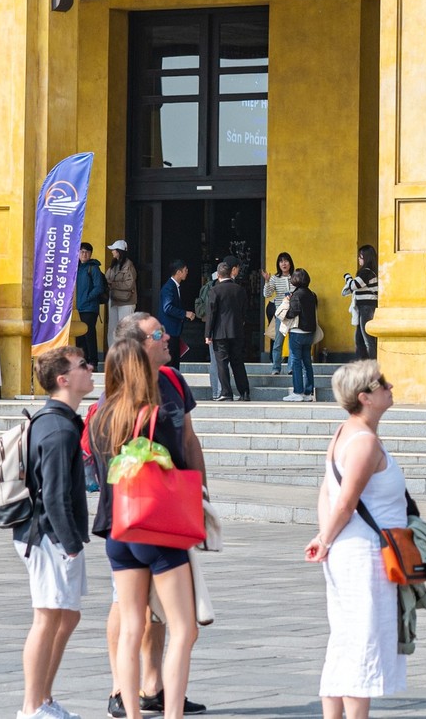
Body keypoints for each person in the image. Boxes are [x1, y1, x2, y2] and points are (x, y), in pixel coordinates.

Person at [105, 312, 211, 719]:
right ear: (138, 345)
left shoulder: (116, 403)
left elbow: (189, 438)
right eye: (158, 334)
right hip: (157, 522)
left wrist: (202, 490)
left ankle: (140, 701)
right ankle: (152, 703)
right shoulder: (139, 407)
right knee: (184, 627)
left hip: (126, 524)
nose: (167, 338)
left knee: (138, 621)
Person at [305, 360, 409, 715]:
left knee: (345, 641)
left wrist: (326, 538)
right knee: (361, 644)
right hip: (364, 555)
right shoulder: (364, 443)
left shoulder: (344, 434)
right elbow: (345, 501)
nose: (390, 386)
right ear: (365, 397)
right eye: (382, 384)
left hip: (349, 551)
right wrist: (327, 538)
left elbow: (326, 493)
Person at [15, 345, 95, 719]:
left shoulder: (59, 421)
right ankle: (32, 706)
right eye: (83, 366)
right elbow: (56, 496)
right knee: (47, 617)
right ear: (64, 379)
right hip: (48, 535)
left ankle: (44, 697)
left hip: (50, 534)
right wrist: (71, 545)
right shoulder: (59, 428)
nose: (90, 368)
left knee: (67, 615)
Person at [206, 257, 250, 402]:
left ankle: (226, 392)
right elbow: (244, 311)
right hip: (237, 331)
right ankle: (244, 392)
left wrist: (208, 333)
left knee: (222, 363)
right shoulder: (240, 290)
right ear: (231, 273)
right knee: (238, 362)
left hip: (220, 332)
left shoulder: (214, 290)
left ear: (218, 275)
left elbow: (211, 313)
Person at [284, 270, 319, 402]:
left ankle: (297, 392)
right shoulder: (311, 294)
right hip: (309, 332)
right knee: (307, 363)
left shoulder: (296, 295)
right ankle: (308, 392)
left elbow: (293, 312)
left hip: (297, 332)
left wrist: (286, 309)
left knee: (296, 362)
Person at [77, 242, 109, 369]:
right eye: (82, 251)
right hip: (78, 307)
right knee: (80, 336)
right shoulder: (76, 268)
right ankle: (82, 361)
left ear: (90, 254)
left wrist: (87, 298)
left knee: (89, 334)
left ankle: (93, 361)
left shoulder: (93, 268)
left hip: (89, 308)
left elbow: (99, 287)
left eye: (87, 252)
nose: (84, 254)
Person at [345, 245, 380, 357]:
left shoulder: (366, 272)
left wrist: (347, 277)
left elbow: (354, 285)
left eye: (360, 257)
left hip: (366, 307)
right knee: (360, 339)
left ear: (366, 258)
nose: (359, 259)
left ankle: (372, 366)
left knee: (367, 340)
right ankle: (364, 365)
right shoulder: (370, 272)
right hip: (365, 307)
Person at [265, 252, 296, 376]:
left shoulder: (295, 277)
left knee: (293, 342)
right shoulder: (274, 278)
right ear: (278, 264)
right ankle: (276, 368)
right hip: (281, 315)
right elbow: (267, 294)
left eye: (286, 261)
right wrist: (267, 282)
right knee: (278, 342)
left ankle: (291, 368)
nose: (284, 263)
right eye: (281, 261)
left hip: (294, 314)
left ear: (290, 263)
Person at [158, 261, 193, 368]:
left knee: (174, 363)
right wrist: (185, 313)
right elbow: (167, 308)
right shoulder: (169, 287)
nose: (187, 272)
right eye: (185, 270)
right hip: (169, 331)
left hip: (173, 331)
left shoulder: (175, 286)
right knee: (170, 363)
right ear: (178, 272)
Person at [107, 241, 139, 338]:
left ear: (119, 251)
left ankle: (125, 353)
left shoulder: (129, 265)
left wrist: (113, 284)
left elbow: (129, 284)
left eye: (114, 250)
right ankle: (114, 352)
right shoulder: (114, 264)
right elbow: (107, 278)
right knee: (112, 330)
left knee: (125, 331)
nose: (112, 251)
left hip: (126, 302)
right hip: (114, 300)